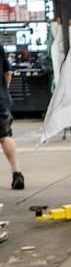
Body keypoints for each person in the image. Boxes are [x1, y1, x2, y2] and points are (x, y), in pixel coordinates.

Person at [0, 54, 22, 190]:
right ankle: (17, 173)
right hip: (0, 100)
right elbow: (7, 72)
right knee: (5, 136)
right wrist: (4, 91)